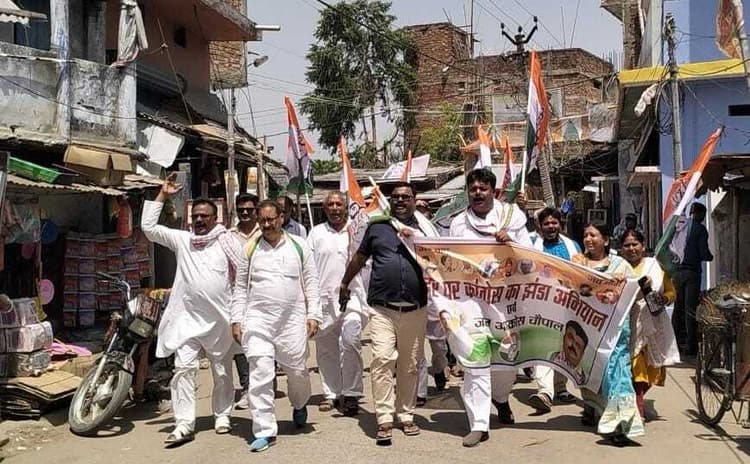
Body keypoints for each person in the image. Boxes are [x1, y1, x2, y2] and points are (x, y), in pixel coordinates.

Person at [339, 182, 439, 445]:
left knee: (409, 365)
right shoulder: (377, 227)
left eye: (406, 197)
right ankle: (384, 418)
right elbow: (359, 258)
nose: (400, 201)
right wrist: (345, 283)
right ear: (390, 201)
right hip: (382, 307)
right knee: (382, 359)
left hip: (415, 308)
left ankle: (405, 415)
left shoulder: (426, 231)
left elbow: (443, 262)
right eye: (395, 197)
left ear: (415, 200)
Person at [141, 173, 235, 447]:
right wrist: (163, 194)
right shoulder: (183, 240)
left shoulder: (227, 242)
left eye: (205, 216)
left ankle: (222, 415)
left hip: (220, 319)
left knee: (222, 372)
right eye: (196, 216)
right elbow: (148, 227)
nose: (200, 220)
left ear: (215, 218)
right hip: (187, 319)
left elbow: (242, 275)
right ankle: (184, 423)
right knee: (183, 368)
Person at [447, 168, 531, 448]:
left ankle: (501, 399)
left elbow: (530, 259)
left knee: (507, 361)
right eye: (473, 189)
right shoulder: (458, 224)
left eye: (483, 188)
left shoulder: (512, 217)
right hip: (471, 300)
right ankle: (479, 424)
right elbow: (451, 259)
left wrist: (511, 243)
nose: (478, 193)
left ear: (493, 192)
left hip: (506, 300)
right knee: (476, 361)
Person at [230, 200, 323, 453]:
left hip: (292, 321)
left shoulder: (299, 246)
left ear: (281, 218)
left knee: (297, 372)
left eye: (271, 219)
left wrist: (314, 315)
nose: (267, 224)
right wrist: (237, 319)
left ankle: (299, 404)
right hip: (258, 320)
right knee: (260, 373)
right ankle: (264, 430)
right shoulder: (250, 248)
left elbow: (312, 283)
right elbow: (240, 287)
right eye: (262, 220)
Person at [571, 222, 644, 445]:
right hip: (587, 326)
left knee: (617, 372)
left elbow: (634, 290)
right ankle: (593, 407)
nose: (588, 239)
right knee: (592, 369)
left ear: (605, 240)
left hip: (615, 330)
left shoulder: (620, 265)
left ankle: (621, 425)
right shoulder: (577, 262)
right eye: (585, 235)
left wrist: (619, 286)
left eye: (593, 235)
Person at [307, 192, 368, 416]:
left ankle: (351, 393)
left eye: (339, 204)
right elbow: (308, 267)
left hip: (353, 296)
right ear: (324, 209)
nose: (334, 208)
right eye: (330, 205)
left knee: (350, 341)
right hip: (324, 299)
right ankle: (331, 393)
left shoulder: (356, 230)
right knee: (326, 350)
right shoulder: (316, 233)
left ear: (345, 207)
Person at [620, 229, 679, 419]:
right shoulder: (618, 268)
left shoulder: (655, 266)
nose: (631, 249)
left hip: (655, 323)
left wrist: (664, 298)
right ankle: (637, 410)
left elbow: (671, 292)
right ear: (621, 249)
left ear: (643, 246)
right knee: (636, 367)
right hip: (628, 324)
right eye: (627, 245)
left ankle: (634, 400)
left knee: (653, 371)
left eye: (635, 244)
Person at [528, 207, 581, 413]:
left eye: (554, 223)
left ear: (560, 224)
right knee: (545, 346)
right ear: (540, 227)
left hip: (568, 304)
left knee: (564, 346)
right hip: (541, 304)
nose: (551, 226)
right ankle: (544, 392)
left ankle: (560, 388)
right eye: (546, 224)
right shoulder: (531, 245)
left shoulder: (573, 246)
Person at [227, 194, 259, 411]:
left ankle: (263, 383)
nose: (245, 212)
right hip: (236, 295)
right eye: (241, 209)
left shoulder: (265, 233)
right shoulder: (228, 237)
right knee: (240, 342)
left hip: (264, 295)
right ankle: (248, 388)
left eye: (249, 209)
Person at [673, 202, 713, 356]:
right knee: (690, 309)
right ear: (700, 214)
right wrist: (710, 256)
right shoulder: (700, 229)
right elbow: (704, 253)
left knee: (678, 308)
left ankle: (674, 343)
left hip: (678, 272)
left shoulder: (681, 227)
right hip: (692, 273)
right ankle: (691, 345)